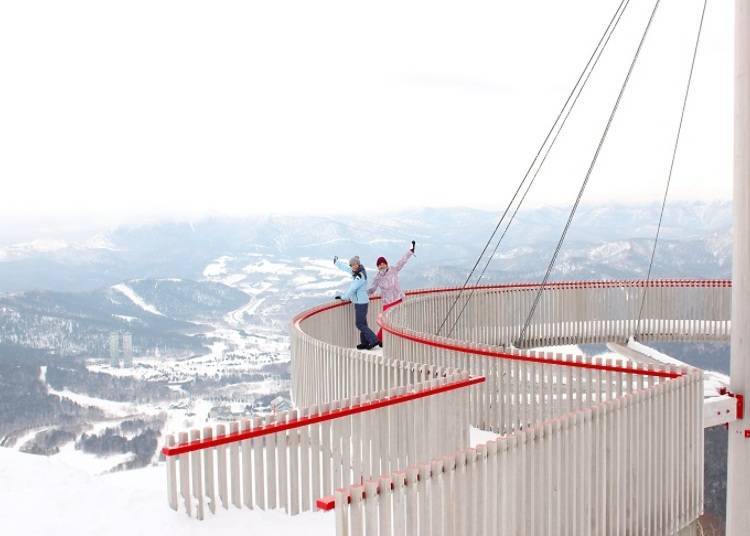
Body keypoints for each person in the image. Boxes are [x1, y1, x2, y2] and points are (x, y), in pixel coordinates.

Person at [368, 241, 416, 343]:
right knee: (386, 322)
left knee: (396, 321)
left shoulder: (393, 270)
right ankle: (378, 340)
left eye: (382, 264)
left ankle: (384, 340)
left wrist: (410, 251)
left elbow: (402, 261)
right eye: (379, 265)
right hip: (387, 302)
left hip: (397, 299)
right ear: (377, 267)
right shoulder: (377, 278)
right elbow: (372, 289)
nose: (381, 266)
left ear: (386, 264)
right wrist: (362, 295)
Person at [334, 255, 379, 350]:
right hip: (360, 301)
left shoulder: (360, 276)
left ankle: (374, 340)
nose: (353, 266)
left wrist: (343, 297)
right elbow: (347, 268)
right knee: (363, 323)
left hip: (361, 303)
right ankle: (365, 342)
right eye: (352, 265)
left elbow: (352, 289)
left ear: (358, 264)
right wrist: (337, 263)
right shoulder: (356, 271)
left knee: (359, 324)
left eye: (355, 264)